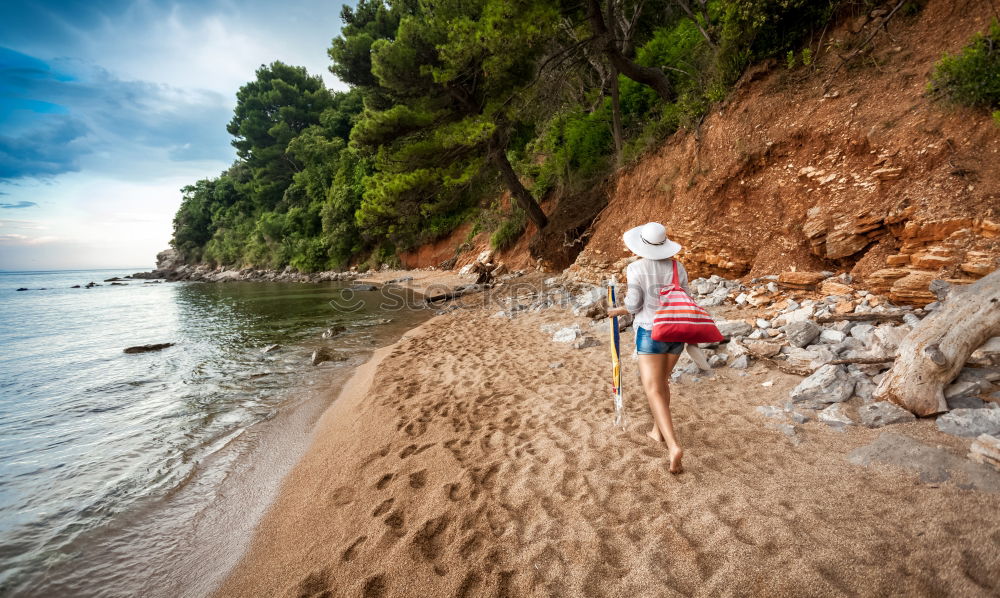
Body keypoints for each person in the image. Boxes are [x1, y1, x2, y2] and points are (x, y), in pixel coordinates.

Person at [606, 222, 688, 474]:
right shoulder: (677, 266)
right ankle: (657, 431)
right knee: (663, 383)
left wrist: (615, 311)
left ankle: (673, 446)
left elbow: (633, 305)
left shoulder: (636, 268)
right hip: (678, 331)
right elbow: (687, 297)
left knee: (652, 388)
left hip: (652, 331)